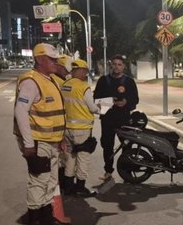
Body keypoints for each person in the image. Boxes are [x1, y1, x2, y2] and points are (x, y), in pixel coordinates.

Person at [13, 43, 70, 225]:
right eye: (52, 59)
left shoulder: (49, 79)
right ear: (39, 59)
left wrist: (60, 138)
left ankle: (47, 217)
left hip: (52, 141)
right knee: (39, 182)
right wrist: (28, 144)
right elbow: (21, 111)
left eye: (56, 59)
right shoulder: (31, 81)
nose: (56, 62)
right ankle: (34, 223)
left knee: (51, 181)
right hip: (38, 142)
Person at [93, 54, 139, 181]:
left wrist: (125, 102)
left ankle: (127, 172)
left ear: (123, 66)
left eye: (119, 64)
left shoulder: (129, 81)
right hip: (107, 120)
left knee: (127, 146)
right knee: (107, 146)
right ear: (110, 65)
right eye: (114, 64)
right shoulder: (103, 81)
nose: (116, 67)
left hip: (124, 119)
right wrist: (110, 102)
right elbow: (95, 100)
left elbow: (135, 100)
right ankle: (108, 171)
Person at [62, 58, 101, 197]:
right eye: (85, 71)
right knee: (83, 158)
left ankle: (68, 187)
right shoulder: (84, 87)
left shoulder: (65, 85)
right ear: (83, 71)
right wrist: (99, 108)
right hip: (82, 129)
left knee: (70, 158)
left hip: (67, 128)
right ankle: (80, 187)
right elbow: (92, 107)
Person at [53, 54, 71, 191]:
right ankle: (61, 186)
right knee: (59, 159)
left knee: (63, 158)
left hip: (61, 126)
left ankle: (63, 184)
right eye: (65, 69)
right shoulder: (55, 81)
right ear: (58, 66)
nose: (67, 72)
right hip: (55, 128)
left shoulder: (62, 80)